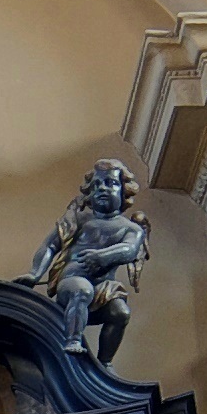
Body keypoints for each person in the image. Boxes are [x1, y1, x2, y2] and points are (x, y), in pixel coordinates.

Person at [26, 158, 149, 370]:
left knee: (121, 313)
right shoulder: (78, 220)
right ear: (89, 192)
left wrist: (103, 257)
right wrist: (35, 274)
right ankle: (73, 340)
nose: (103, 188)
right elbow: (50, 246)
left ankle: (105, 363)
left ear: (124, 191)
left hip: (104, 288)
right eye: (97, 185)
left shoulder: (131, 229)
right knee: (82, 290)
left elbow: (129, 250)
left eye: (111, 183)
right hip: (72, 281)